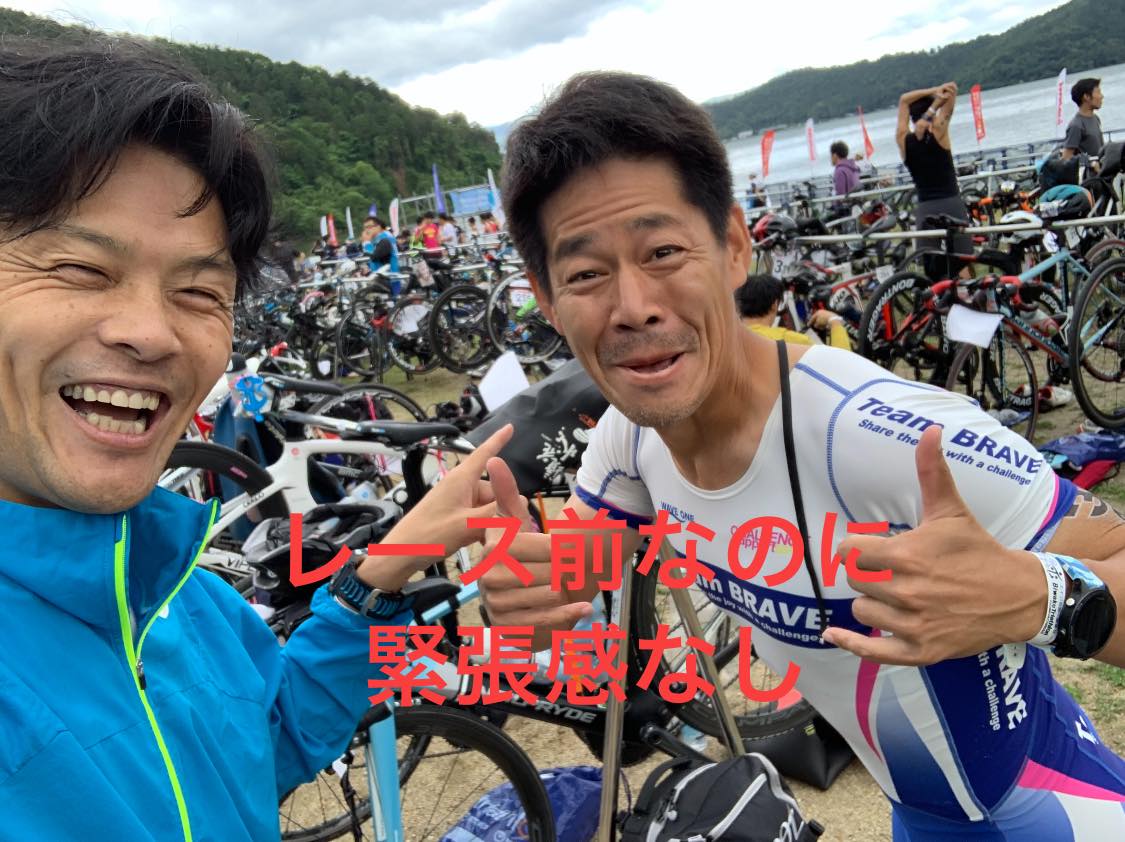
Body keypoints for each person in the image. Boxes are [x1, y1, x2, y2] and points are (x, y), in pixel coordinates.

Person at [486, 70, 1125, 839]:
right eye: (586, 273)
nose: (633, 307)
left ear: (732, 247)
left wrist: (1037, 597)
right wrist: (520, 604)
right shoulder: (629, 439)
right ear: (546, 298)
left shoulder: (880, 437)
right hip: (917, 815)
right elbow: (561, 606)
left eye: (661, 251)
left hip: (1057, 811)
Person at [0, 33, 516, 837]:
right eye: (81, 270)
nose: (152, 333)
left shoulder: (174, 589)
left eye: (199, 291)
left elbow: (263, 742)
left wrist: (387, 567)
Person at [897, 82, 973, 276]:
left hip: (925, 208)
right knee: (961, 262)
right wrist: (936, 100)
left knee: (931, 265)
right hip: (951, 203)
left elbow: (904, 100)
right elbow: (952, 91)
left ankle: (937, 294)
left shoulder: (903, 140)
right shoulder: (939, 131)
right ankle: (964, 293)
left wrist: (932, 92)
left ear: (911, 117)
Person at [736, 274, 850, 349]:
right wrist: (834, 321)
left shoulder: (728, 339)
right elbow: (841, 364)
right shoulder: (791, 341)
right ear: (774, 305)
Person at [1062, 77, 1104, 161]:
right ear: (1086, 97)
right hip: (1089, 169)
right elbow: (1066, 158)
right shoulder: (1076, 125)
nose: (1102, 96)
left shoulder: (1095, 118)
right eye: (1098, 92)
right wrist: (1090, 164)